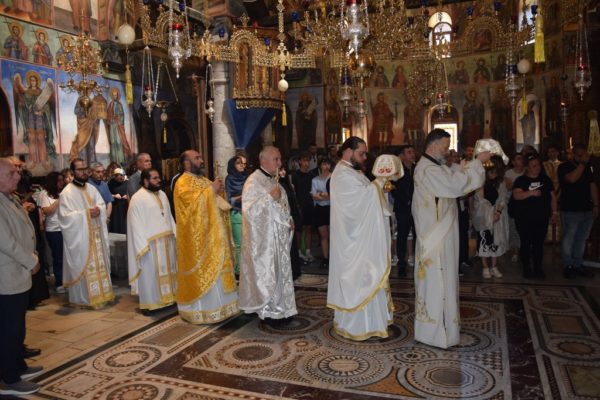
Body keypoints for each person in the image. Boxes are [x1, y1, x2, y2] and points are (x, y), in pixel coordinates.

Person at [412, 129, 490, 348]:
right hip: (435, 240)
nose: (447, 151)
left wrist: (469, 165)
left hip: (441, 237)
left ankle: (445, 330)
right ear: (434, 145)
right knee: (438, 283)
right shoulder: (427, 170)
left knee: (444, 282)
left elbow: (454, 175)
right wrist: (477, 162)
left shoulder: (434, 167)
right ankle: (436, 334)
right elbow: (456, 186)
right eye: (445, 147)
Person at [328, 137, 393, 340]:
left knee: (367, 277)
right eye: (361, 153)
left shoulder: (353, 172)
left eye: (365, 153)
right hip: (352, 241)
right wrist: (379, 182)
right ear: (348, 151)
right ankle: (358, 326)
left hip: (361, 238)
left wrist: (380, 187)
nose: (364, 157)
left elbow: (367, 194)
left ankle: (373, 321)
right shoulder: (342, 174)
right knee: (359, 280)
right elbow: (359, 202)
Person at [174, 150, 238, 324]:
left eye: (201, 157)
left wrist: (219, 192)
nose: (202, 160)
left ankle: (225, 308)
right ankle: (205, 310)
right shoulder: (182, 182)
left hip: (215, 237)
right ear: (186, 163)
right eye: (197, 158)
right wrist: (211, 191)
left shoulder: (203, 180)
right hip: (200, 242)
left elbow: (216, 203)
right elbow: (191, 210)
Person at [0, 158, 43, 396]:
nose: (17, 176)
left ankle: (18, 365)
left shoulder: (8, 197)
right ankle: (9, 379)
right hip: (7, 274)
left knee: (17, 326)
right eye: (10, 173)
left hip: (18, 271)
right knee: (8, 329)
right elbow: (5, 241)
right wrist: (30, 260)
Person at [239, 146, 297, 322]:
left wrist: (289, 219)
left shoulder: (273, 180)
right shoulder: (253, 181)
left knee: (280, 274)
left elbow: (282, 205)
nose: (280, 163)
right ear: (263, 161)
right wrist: (269, 198)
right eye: (276, 159)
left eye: (280, 159)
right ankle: (270, 311)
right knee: (270, 275)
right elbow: (249, 211)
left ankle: (282, 308)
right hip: (265, 243)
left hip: (278, 238)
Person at [58, 159, 114, 308]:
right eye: (80, 169)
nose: (83, 172)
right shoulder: (67, 193)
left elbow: (101, 204)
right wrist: (86, 214)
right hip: (81, 239)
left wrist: (99, 210)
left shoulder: (91, 188)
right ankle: (85, 299)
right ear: (72, 172)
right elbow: (64, 218)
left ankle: (102, 295)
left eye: (85, 168)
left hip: (96, 237)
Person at [127, 168, 177, 313]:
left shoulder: (162, 194)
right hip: (149, 246)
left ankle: (170, 299)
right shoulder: (137, 198)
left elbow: (169, 216)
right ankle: (150, 304)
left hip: (167, 242)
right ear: (145, 181)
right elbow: (134, 224)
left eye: (158, 177)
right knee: (151, 275)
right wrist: (141, 246)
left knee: (170, 272)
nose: (159, 180)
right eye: (155, 178)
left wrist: (175, 234)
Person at [512, 155, 558, 279]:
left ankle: (538, 268)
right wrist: (531, 192)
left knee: (538, 244)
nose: (537, 168)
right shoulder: (521, 180)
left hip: (541, 218)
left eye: (538, 165)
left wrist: (554, 213)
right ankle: (526, 267)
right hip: (524, 219)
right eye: (534, 166)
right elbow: (516, 196)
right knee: (526, 243)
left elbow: (553, 197)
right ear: (527, 167)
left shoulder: (545, 179)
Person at [558, 143, 598, 279]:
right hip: (571, 209)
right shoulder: (564, 167)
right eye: (580, 155)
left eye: (584, 155)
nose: (583, 158)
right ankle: (568, 265)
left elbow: (592, 185)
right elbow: (572, 179)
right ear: (573, 155)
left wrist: (596, 205)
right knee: (569, 238)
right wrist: (582, 164)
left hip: (587, 209)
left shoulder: (588, 168)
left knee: (582, 239)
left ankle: (577, 264)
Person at [472, 158, 509, 279]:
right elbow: (479, 201)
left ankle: (494, 266)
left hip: (497, 217)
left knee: (495, 241)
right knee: (484, 241)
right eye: (491, 172)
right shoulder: (480, 182)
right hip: (483, 216)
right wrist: (490, 215)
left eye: (496, 172)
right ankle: (485, 267)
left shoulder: (501, 183)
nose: (494, 174)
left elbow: (503, 199)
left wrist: (497, 212)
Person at [37, 171, 66, 292]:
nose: (61, 183)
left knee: (67, 256)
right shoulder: (44, 194)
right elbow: (47, 211)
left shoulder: (64, 192)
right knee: (58, 256)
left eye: (62, 180)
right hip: (53, 229)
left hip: (66, 227)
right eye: (58, 180)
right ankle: (59, 282)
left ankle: (68, 280)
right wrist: (59, 200)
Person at [391, 144, 416, 277]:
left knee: (418, 234)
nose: (412, 154)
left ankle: (418, 260)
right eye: (409, 152)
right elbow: (392, 188)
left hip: (417, 208)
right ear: (402, 156)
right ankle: (401, 264)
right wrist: (405, 200)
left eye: (412, 152)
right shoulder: (398, 171)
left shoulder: (417, 169)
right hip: (402, 208)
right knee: (402, 235)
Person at [225, 155, 249, 275]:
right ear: (233, 165)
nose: (242, 166)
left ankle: (247, 268)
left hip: (249, 213)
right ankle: (239, 270)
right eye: (239, 163)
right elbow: (230, 200)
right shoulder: (229, 179)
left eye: (244, 164)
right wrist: (242, 196)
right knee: (239, 244)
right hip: (236, 213)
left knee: (248, 243)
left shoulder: (247, 177)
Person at [292, 152, 317, 262]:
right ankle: (298, 253)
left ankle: (308, 251)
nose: (306, 163)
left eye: (308, 161)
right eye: (304, 160)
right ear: (300, 162)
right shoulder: (295, 175)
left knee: (308, 228)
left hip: (309, 205)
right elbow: (293, 191)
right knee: (299, 230)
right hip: (298, 206)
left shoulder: (312, 175)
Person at [311, 158, 332, 268]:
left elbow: (335, 195)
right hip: (320, 209)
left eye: (328, 164)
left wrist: (322, 195)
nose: (326, 166)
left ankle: (334, 258)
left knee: (333, 235)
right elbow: (314, 196)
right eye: (324, 164)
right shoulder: (315, 180)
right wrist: (326, 195)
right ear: (320, 166)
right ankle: (325, 258)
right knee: (324, 236)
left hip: (332, 209)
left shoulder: (334, 178)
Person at [505, 152, 525, 262]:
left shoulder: (527, 171)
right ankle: (515, 251)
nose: (521, 160)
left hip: (526, 203)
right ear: (513, 162)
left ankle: (524, 249)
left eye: (522, 158)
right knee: (514, 228)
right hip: (513, 203)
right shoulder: (509, 173)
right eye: (518, 158)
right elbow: (508, 187)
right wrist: (520, 181)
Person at [106, 87, 133, 164]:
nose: (115, 97)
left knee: (119, 142)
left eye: (116, 95)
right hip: (112, 125)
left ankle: (121, 160)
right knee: (113, 142)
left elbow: (122, 115)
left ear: (117, 96)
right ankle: (114, 160)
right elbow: (108, 115)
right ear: (112, 96)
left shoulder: (119, 104)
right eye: (113, 95)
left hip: (118, 125)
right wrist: (110, 118)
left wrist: (117, 118)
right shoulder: (110, 104)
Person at [107, 168, 128, 234]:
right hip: (115, 206)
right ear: (115, 177)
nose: (121, 179)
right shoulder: (111, 183)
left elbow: (132, 192)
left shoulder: (127, 182)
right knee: (116, 222)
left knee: (124, 222)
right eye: (119, 178)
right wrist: (114, 195)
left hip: (125, 206)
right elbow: (107, 194)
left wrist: (127, 196)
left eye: (122, 177)